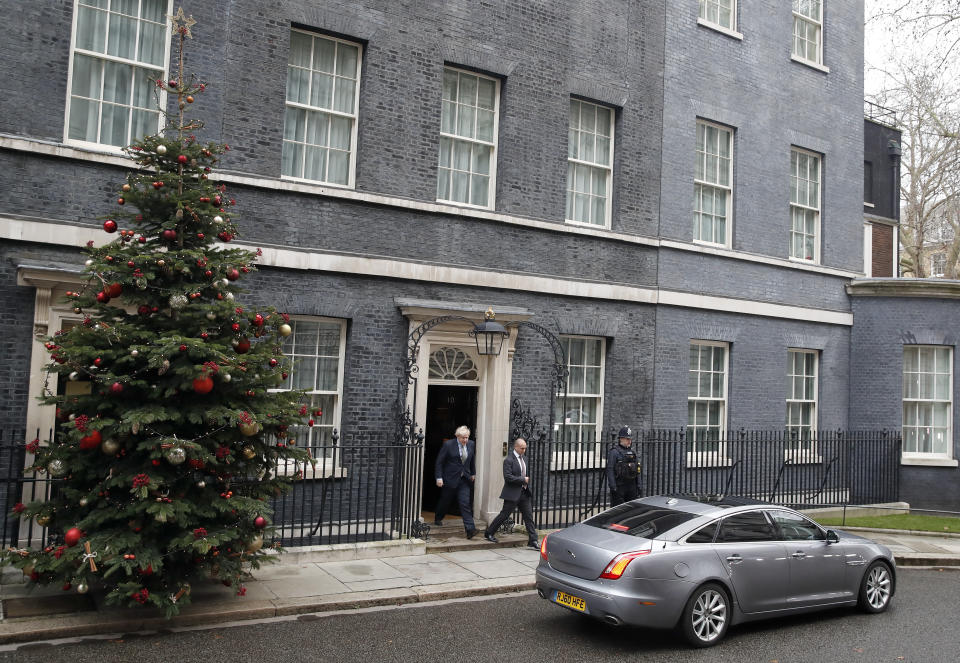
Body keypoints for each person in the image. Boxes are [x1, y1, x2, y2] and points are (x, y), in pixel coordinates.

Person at [484, 438, 539, 549]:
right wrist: (523, 480)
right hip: (512, 493)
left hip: (524, 493)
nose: (524, 450)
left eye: (525, 448)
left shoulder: (525, 459)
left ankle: (533, 540)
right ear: (516, 447)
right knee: (504, 515)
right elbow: (508, 477)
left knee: (528, 517)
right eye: (522, 448)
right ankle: (489, 532)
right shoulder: (508, 460)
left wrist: (525, 482)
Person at [434, 425, 477, 539]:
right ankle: (438, 517)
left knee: (465, 503)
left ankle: (470, 529)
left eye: (467, 437)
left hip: (464, 479)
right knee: (445, 500)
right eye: (463, 438)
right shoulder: (448, 445)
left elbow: (471, 459)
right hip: (450, 478)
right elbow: (439, 462)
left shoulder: (471, 444)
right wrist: (439, 477)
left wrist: (473, 473)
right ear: (457, 436)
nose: (465, 440)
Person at [607, 426, 641, 507]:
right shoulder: (614, 452)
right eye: (627, 439)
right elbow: (610, 469)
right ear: (621, 439)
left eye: (630, 439)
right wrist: (613, 487)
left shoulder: (633, 452)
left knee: (631, 511)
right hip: (619, 487)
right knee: (618, 511)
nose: (629, 441)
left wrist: (639, 485)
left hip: (632, 486)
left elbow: (638, 470)